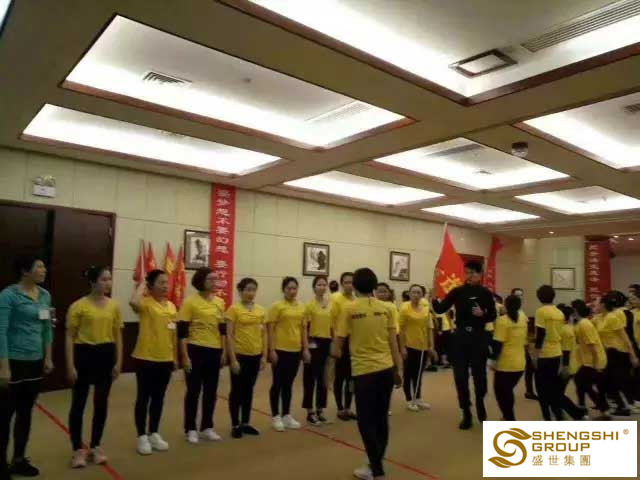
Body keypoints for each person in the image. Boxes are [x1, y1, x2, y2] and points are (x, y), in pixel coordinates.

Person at [333, 268, 403, 480]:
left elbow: (337, 345)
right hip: (386, 369)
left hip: (364, 372)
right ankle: (375, 463)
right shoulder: (388, 308)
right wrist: (399, 368)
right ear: (374, 286)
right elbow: (394, 342)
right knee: (381, 418)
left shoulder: (349, 308)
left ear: (354, 285)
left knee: (365, 421)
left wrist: (332, 361)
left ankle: (376, 468)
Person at [0, 256, 54, 478]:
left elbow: (47, 329)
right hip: (13, 362)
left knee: (25, 413)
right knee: (5, 415)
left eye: (44, 266)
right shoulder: (8, 295)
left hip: (35, 362)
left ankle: (19, 459)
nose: (44, 270)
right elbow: (1, 332)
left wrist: (48, 357)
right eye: (39, 266)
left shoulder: (45, 295)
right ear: (25, 271)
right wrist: (4, 367)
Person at [66, 266, 123, 468]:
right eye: (103, 279)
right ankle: (77, 449)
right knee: (78, 404)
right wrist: (70, 365)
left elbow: (117, 335)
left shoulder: (114, 306)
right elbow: (69, 337)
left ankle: (96, 445)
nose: (108, 283)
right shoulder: (78, 306)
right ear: (92, 282)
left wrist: (118, 362)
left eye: (109, 279)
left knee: (101, 403)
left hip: (106, 354)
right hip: (84, 354)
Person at [432, 260, 496, 430]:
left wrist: (482, 314)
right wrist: (434, 293)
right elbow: (440, 309)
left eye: (472, 273)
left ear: (480, 274)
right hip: (460, 338)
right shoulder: (457, 291)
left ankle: (480, 402)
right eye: (467, 272)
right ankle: (466, 411)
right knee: (460, 378)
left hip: (479, 337)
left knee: (479, 377)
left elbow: (493, 316)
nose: (469, 276)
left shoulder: (485, 293)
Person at [130, 269, 177, 455]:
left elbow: (172, 333)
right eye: (161, 282)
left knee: (159, 397)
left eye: (167, 282)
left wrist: (174, 357)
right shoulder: (145, 303)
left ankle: (154, 433)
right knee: (143, 397)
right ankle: (141, 436)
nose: (165, 286)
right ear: (151, 285)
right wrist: (143, 283)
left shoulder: (172, 306)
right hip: (145, 358)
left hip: (165, 359)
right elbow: (133, 302)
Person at [177, 267, 226, 444]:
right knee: (193, 391)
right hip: (195, 350)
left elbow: (222, 330)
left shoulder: (219, 302)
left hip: (214, 351)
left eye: (216, 279)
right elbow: (182, 332)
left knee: (211, 392)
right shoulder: (190, 302)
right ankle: (190, 428)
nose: (214, 282)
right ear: (201, 281)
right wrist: (184, 356)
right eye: (210, 279)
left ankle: (207, 427)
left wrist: (223, 351)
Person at [226, 278, 267, 439]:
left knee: (249, 389)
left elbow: (264, 335)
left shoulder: (260, 310)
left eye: (253, 290)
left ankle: (245, 422)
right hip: (239, 355)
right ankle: (235, 424)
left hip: (255, 355)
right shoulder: (233, 309)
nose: (251, 293)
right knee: (237, 390)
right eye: (248, 289)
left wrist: (264, 356)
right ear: (240, 291)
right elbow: (229, 336)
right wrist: (233, 359)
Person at [267, 277, 310, 431]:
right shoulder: (277, 306)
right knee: (277, 383)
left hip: (295, 350)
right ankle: (275, 416)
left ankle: (286, 414)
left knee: (288, 383)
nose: (292, 291)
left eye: (294, 288)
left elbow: (303, 329)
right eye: (289, 288)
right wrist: (271, 350)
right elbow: (270, 330)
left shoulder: (302, 307)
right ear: (283, 289)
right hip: (280, 350)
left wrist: (305, 349)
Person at [598, 291, 639, 416]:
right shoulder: (605, 317)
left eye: (598, 303)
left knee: (618, 380)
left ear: (604, 304)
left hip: (619, 353)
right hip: (611, 352)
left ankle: (627, 405)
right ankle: (623, 405)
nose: (596, 305)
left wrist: (632, 355)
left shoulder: (614, 316)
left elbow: (625, 336)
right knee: (611, 381)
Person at [489, 294, 527, 421]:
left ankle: (510, 419)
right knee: (507, 391)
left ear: (505, 305)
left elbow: (498, 344)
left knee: (500, 392)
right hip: (520, 363)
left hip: (505, 364)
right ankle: (507, 417)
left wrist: (493, 361)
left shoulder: (503, 321)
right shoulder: (523, 318)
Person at [398, 285, 436, 412]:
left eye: (418, 292)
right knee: (408, 374)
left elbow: (429, 328)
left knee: (418, 374)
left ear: (422, 295)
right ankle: (409, 400)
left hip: (423, 347)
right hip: (409, 346)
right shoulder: (404, 308)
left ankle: (418, 398)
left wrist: (431, 346)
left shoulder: (425, 309)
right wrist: (402, 348)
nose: (416, 295)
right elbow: (401, 330)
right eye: (413, 292)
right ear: (409, 294)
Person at [570, 299, 610, 420]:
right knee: (582, 384)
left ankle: (598, 410)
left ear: (575, 310)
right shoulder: (581, 323)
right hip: (588, 361)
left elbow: (592, 345)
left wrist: (597, 364)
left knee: (583, 384)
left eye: (572, 309)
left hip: (593, 361)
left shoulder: (584, 324)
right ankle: (587, 409)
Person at [302, 276, 332, 426]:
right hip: (313, 342)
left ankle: (320, 409)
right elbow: (304, 328)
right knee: (310, 377)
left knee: (323, 378)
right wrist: (306, 348)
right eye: (319, 284)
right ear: (314, 287)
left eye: (324, 284)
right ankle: (310, 411)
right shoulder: (309, 305)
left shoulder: (330, 304)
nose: (322, 287)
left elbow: (333, 326)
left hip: (327, 342)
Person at [330, 272, 356, 421]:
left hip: (354, 342)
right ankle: (340, 408)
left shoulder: (357, 300)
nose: (349, 285)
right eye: (346, 282)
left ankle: (348, 407)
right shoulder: (336, 299)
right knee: (339, 377)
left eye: (351, 282)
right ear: (341, 284)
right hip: (341, 341)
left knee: (352, 378)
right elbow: (332, 323)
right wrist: (336, 345)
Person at [557, 304, 586, 420]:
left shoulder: (565, 330)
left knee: (557, 393)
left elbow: (566, 351)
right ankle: (567, 413)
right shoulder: (571, 328)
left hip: (567, 366)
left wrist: (565, 367)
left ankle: (577, 414)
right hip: (573, 363)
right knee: (558, 392)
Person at [511, 287, 537, 401]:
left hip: (523, 345)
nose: (520, 297)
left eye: (521, 295)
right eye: (517, 295)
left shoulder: (521, 312)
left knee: (530, 368)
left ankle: (529, 391)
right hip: (515, 346)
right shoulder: (512, 313)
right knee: (516, 370)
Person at [629, 293, 640, 402]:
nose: (632, 301)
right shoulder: (632, 312)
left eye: (635, 299)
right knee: (633, 372)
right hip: (633, 346)